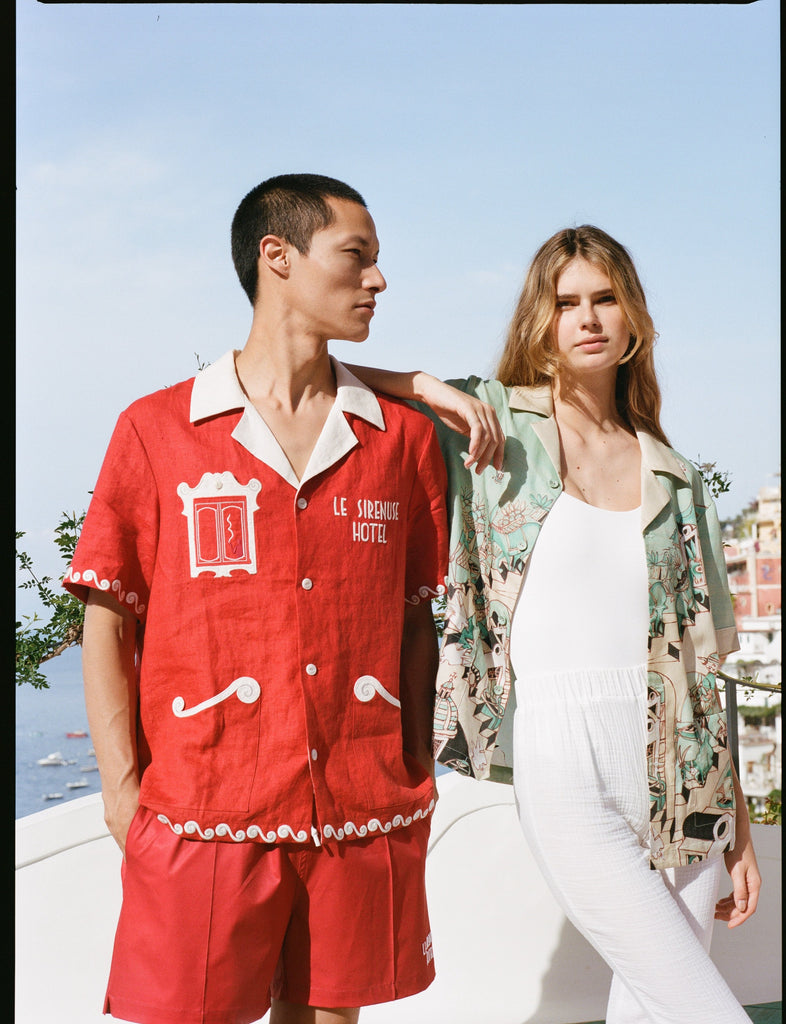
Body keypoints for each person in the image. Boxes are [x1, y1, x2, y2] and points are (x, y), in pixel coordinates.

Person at [348, 224, 761, 1024]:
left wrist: (737, 820)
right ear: (541, 320)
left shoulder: (674, 476)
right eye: (566, 302)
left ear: (633, 315)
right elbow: (309, 373)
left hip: (688, 770)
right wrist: (430, 386)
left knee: (653, 1011)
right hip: (563, 758)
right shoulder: (494, 428)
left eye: (605, 298)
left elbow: (708, 664)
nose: (588, 318)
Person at [63, 173, 449, 1024]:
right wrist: (123, 794)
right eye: (357, 257)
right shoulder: (156, 431)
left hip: (359, 804)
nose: (378, 281)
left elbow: (417, 619)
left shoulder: (405, 442)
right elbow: (108, 619)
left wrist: (412, 764)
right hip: (203, 806)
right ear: (277, 256)